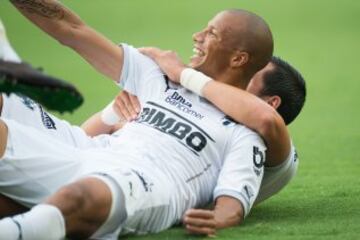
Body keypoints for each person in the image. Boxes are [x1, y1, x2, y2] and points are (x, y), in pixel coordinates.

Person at [0, 2, 304, 240]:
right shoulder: (157, 75)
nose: (197, 36)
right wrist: (114, 115)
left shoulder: (248, 135)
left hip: (143, 180)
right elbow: (71, 28)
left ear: (239, 60)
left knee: (79, 197)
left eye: (211, 32)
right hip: (88, 150)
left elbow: (262, 123)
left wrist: (183, 73)